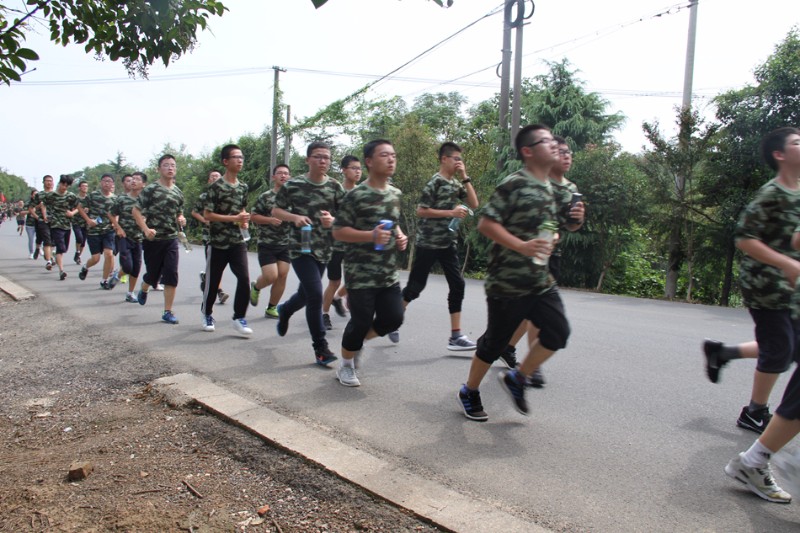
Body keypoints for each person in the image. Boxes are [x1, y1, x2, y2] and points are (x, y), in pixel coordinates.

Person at [457, 124, 585, 422]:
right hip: (508, 283)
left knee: (558, 333)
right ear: (528, 151)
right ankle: (469, 390)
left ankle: (518, 378)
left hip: (541, 282)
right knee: (495, 344)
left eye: (554, 141)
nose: (554, 146)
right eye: (546, 142)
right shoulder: (514, 183)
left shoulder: (554, 189)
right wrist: (522, 246)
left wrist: (570, 226)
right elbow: (486, 223)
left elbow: (555, 229)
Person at [707, 127, 800, 435]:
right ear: (780, 155)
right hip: (765, 286)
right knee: (780, 348)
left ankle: (723, 353)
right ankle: (754, 412)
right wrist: (786, 262)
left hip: (792, 286)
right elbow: (744, 239)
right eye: (797, 142)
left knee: (789, 347)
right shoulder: (771, 193)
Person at [499, 135, 581, 387]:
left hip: (550, 256)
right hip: (524, 255)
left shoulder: (571, 189)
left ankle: (509, 348)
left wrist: (577, 219)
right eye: (561, 152)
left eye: (569, 153)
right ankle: (524, 364)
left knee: (533, 311)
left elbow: (570, 226)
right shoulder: (534, 182)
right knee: (535, 313)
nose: (566, 156)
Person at [332, 140, 408, 386]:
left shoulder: (395, 194)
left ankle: (357, 342)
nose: (391, 159)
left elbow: (392, 221)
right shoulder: (356, 195)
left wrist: (399, 235)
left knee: (394, 318)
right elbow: (338, 231)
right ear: (369, 161)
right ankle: (345, 365)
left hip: (387, 272)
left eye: (394, 155)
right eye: (384, 155)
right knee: (361, 320)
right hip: (360, 272)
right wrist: (370, 236)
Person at [399, 142, 480, 350]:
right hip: (428, 242)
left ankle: (456, 336)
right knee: (416, 288)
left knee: (458, 285)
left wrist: (465, 177)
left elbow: (474, 203)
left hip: (447, 243)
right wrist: (450, 213)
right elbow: (421, 210)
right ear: (444, 159)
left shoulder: (456, 184)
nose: (459, 163)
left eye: (461, 160)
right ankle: (393, 318)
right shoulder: (434, 182)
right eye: (456, 159)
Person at [273, 141, 345, 366]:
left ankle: (285, 309)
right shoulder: (293, 185)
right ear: (308, 159)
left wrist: (333, 221)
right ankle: (320, 348)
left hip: (324, 249)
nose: (323, 161)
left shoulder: (334, 187)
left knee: (305, 295)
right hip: (300, 248)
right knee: (315, 294)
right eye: (318, 157)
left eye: (327, 157)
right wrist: (294, 217)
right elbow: (276, 210)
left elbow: (348, 216)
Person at [200, 144, 253, 336]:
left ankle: (239, 317)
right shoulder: (216, 187)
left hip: (237, 241)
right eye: (236, 157)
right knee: (213, 282)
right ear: (225, 161)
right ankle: (206, 313)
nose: (240, 160)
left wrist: (244, 220)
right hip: (218, 243)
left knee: (245, 279)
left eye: (242, 157)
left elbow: (242, 210)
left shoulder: (243, 187)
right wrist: (234, 219)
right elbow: (208, 215)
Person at [132, 154, 187, 325]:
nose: (170, 168)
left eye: (172, 165)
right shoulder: (150, 190)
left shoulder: (178, 192)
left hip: (171, 238)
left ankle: (167, 312)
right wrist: (146, 229)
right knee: (153, 275)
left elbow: (179, 212)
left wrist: (181, 218)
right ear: (158, 169)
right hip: (153, 240)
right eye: (166, 165)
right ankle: (144, 287)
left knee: (171, 274)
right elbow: (136, 211)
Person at [322, 155, 362, 329]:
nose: (357, 172)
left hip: (354, 245)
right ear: (344, 170)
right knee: (334, 282)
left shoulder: (362, 192)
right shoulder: (334, 192)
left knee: (355, 279)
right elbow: (326, 217)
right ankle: (324, 314)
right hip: (335, 245)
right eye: (353, 168)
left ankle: (337, 298)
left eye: (359, 168)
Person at [249, 164, 292, 319]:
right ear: (273, 177)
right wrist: (269, 220)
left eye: (286, 173)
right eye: (279, 173)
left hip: (286, 244)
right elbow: (253, 217)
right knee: (271, 276)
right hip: (267, 243)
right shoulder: (265, 197)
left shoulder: (293, 198)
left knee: (282, 275)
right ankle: (256, 286)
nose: (283, 176)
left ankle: (271, 307)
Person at [192, 170, 229, 305]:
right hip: (209, 236)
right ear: (209, 180)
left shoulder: (226, 195)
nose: (215, 178)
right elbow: (194, 212)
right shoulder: (205, 196)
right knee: (214, 264)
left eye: (218, 177)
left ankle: (206, 278)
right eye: (212, 176)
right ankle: (219, 291)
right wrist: (205, 220)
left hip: (225, 236)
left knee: (217, 266)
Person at [110, 171, 146, 302]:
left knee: (136, 268)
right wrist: (118, 227)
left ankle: (130, 293)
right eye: (132, 179)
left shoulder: (145, 201)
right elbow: (111, 214)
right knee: (127, 266)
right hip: (124, 236)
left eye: (137, 179)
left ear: (143, 184)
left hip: (139, 238)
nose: (133, 181)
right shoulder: (122, 199)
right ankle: (117, 275)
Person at [77, 174, 118, 289]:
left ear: (112, 184)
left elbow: (117, 213)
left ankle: (104, 280)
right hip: (94, 231)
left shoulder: (115, 198)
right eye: (105, 181)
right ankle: (85, 267)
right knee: (96, 258)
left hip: (108, 231)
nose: (107, 183)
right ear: (101, 183)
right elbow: (80, 207)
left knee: (109, 254)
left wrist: (115, 223)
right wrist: (88, 220)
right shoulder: (93, 195)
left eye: (109, 181)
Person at [44, 175, 79, 281]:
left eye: (66, 185)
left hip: (66, 225)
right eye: (63, 184)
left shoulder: (71, 196)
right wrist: (46, 215)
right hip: (55, 224)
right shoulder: (52, 195)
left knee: (64, 249)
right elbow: (43, 204)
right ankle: (61, 271)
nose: (64, 187)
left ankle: (54, 254)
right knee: (61, 248)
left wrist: (72, 213)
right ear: (59, 183)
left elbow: (78, 207)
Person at [29, 175, 55, 267]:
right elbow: (31, 208)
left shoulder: (55, 195)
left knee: (52, 241)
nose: (49, 182)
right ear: (43, 182)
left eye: (51, 181)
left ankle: (50, 256)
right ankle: (48, 261)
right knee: (47, 239)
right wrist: (37, 217)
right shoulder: (39, 195)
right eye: (47, 181)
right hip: (42, 221)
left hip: (54, 221)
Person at [72, 180, 89, 264]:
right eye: (83, 186)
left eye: (86, 186)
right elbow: (72, 209)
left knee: (83, 241)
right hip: (76, 221)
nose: (85, 188)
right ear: (79, 187)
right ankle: (77, 252)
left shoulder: (89, 198)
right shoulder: (75, 198)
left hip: (86, 222)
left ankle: (78, 255)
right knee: (79, 237)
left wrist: (88, 210)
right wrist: (79, 210)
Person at [24, 191, 37, 258]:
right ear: (31, 195)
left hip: (39, 223)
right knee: (31, 239)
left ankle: (38, 248)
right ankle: (31, 252)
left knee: (40, 238)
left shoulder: (41, 203)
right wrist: (31, 211)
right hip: (30, 224)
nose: (35, 195)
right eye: (34, 194)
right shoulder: (28, 203)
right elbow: (22, 212)